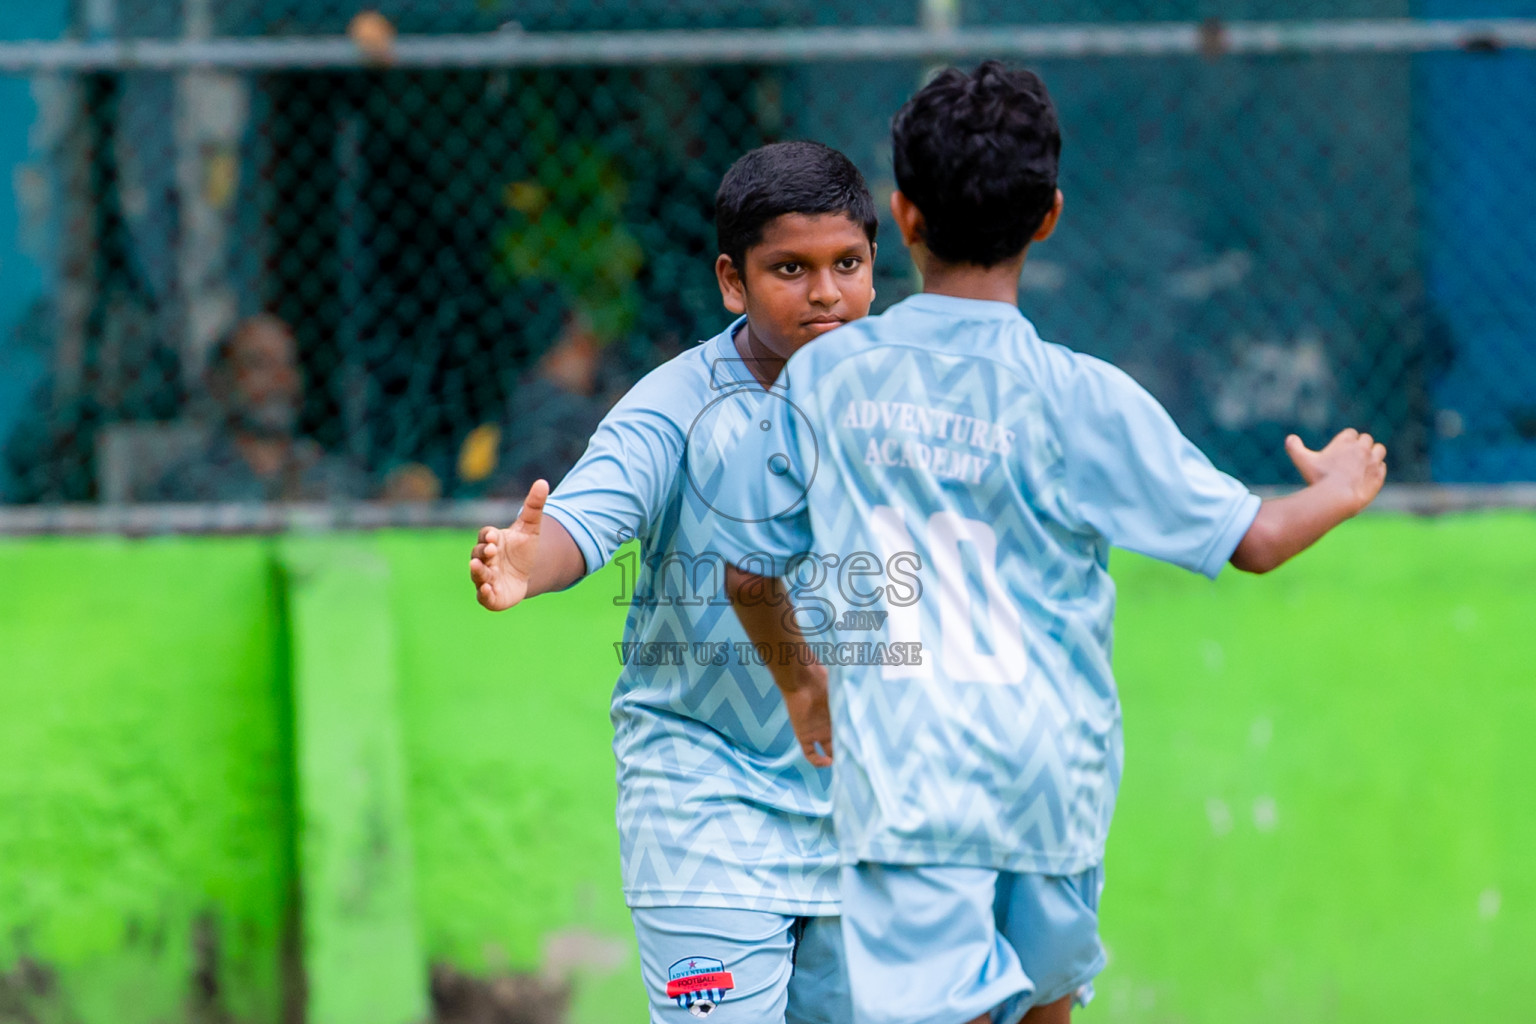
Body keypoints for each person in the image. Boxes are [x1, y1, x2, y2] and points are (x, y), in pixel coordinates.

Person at [712, 63, 1387, 1024]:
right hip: (1053, 774)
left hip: (910, 781)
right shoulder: (1082, 396)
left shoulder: (824, 379)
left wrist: (801, 683)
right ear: (1049, 218)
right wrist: (1342, 486)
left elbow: (748, 574)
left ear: (902, 215)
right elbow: (1258, 540)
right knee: (1045, 1003)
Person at [468, 141, 879, 1022]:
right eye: (791, 269)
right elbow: (584, 519)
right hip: (704, 806)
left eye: (847, 264)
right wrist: (530, 563)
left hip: (868, 811)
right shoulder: (674, 405)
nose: (825, 293)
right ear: (733, 282)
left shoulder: (905, 403)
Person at [150, 314, 371, 502]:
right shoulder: (189, 484)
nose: (279, 379)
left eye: (288, 364)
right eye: (260, 364)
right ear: (220, 382)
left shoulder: (334, 475)